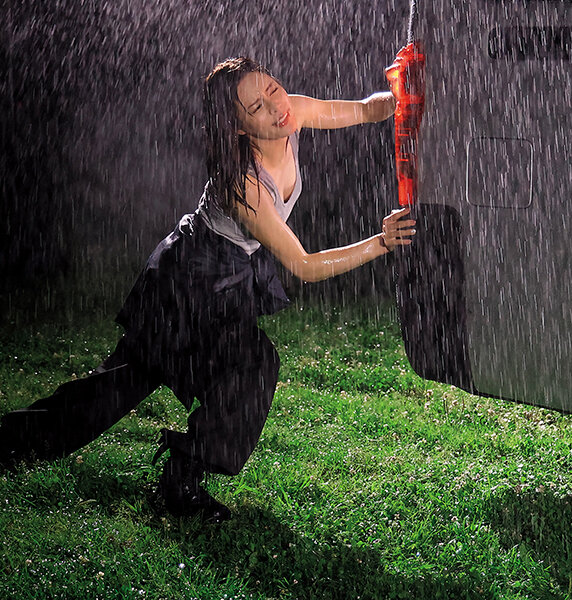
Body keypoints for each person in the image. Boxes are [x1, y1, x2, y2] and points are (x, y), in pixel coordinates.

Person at [0, 56, 415, 522]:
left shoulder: (289, 113)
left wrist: (403, 95)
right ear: (237, 127)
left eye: (273, 89)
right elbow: (304, 266)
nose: (275, 107)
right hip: (183, 289)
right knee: (112, 392)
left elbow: (365, 109)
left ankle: (185, 473)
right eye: (255, 107)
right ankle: (13, 442)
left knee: (251, 363)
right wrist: (382, 242)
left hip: (224, 282)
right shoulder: (243, 184)